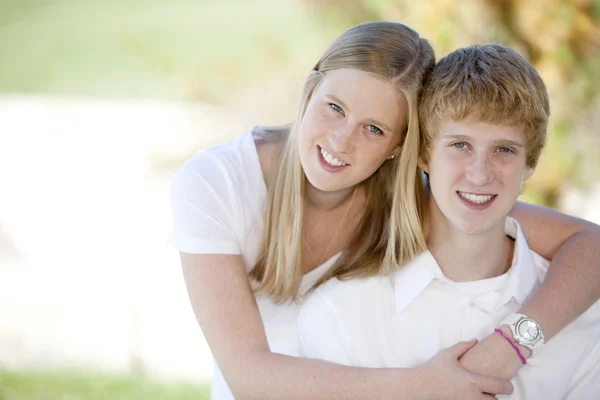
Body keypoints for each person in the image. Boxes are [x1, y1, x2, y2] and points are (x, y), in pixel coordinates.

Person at [168, 22, 600, 400]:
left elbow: (588, 245)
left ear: (401, 147)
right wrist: (424, 387)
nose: (341, 141)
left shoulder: (406, 196)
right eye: (334, 107)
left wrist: (511, 346)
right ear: (308, 89)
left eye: (373, 129)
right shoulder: (218, 183)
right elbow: (247, 376)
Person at [297, 44, 600, 399]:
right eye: (460, 145)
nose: (479, 174)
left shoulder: (581, 316)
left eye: (504, 150)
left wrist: (514, 345)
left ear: (529, 164)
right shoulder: (341, 315)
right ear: (424, 154)